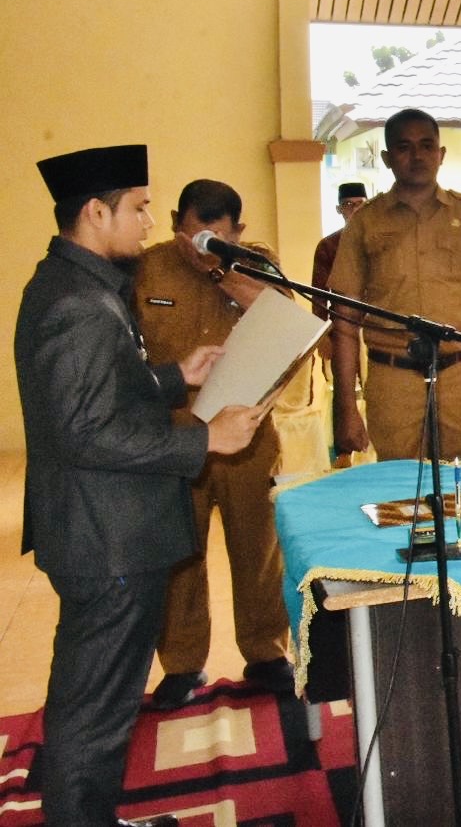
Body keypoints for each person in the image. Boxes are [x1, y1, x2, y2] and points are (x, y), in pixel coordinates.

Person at [18, 144, 263, 827]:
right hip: (109, 539)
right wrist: (204, 439)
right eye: (139, 207)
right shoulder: (79, 304)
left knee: (98, 700)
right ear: (96, 214)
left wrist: (175, 376)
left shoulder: (79, 286)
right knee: (95, 711)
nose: (151, 222)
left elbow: (99, 395)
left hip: (106, 529)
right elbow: (86, 433)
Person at [134, 180, 294, 710]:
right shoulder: (146, 268)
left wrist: (222, 268)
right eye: (194, 234)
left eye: (218, 236)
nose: (200, 246)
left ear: (237, 232)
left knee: (258, 549)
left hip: (247, 433)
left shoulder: (256, 264)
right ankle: (182, 664)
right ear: (175, 222)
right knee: (180, 553)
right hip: (176, 435)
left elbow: (285, 320)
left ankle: (266, 653)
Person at [329, 108, 461, 461]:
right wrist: (346, 406)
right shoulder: (366, 223)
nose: (417, 156)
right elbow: (345, 320)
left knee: (459, 482)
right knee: (399, 486)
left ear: (441, 154)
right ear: (387, 158)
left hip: (457, 376)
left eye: (427, 146)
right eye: (405, 147)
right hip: (392, 378)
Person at [309, 181, 366, 321]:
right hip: (342, 319)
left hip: (379, 320)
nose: (355, 209)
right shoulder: (328, 246)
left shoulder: (379, 241)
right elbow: (319, 295)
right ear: (338, 209)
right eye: (348, 204)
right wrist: (322, 329)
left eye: (360, 203)